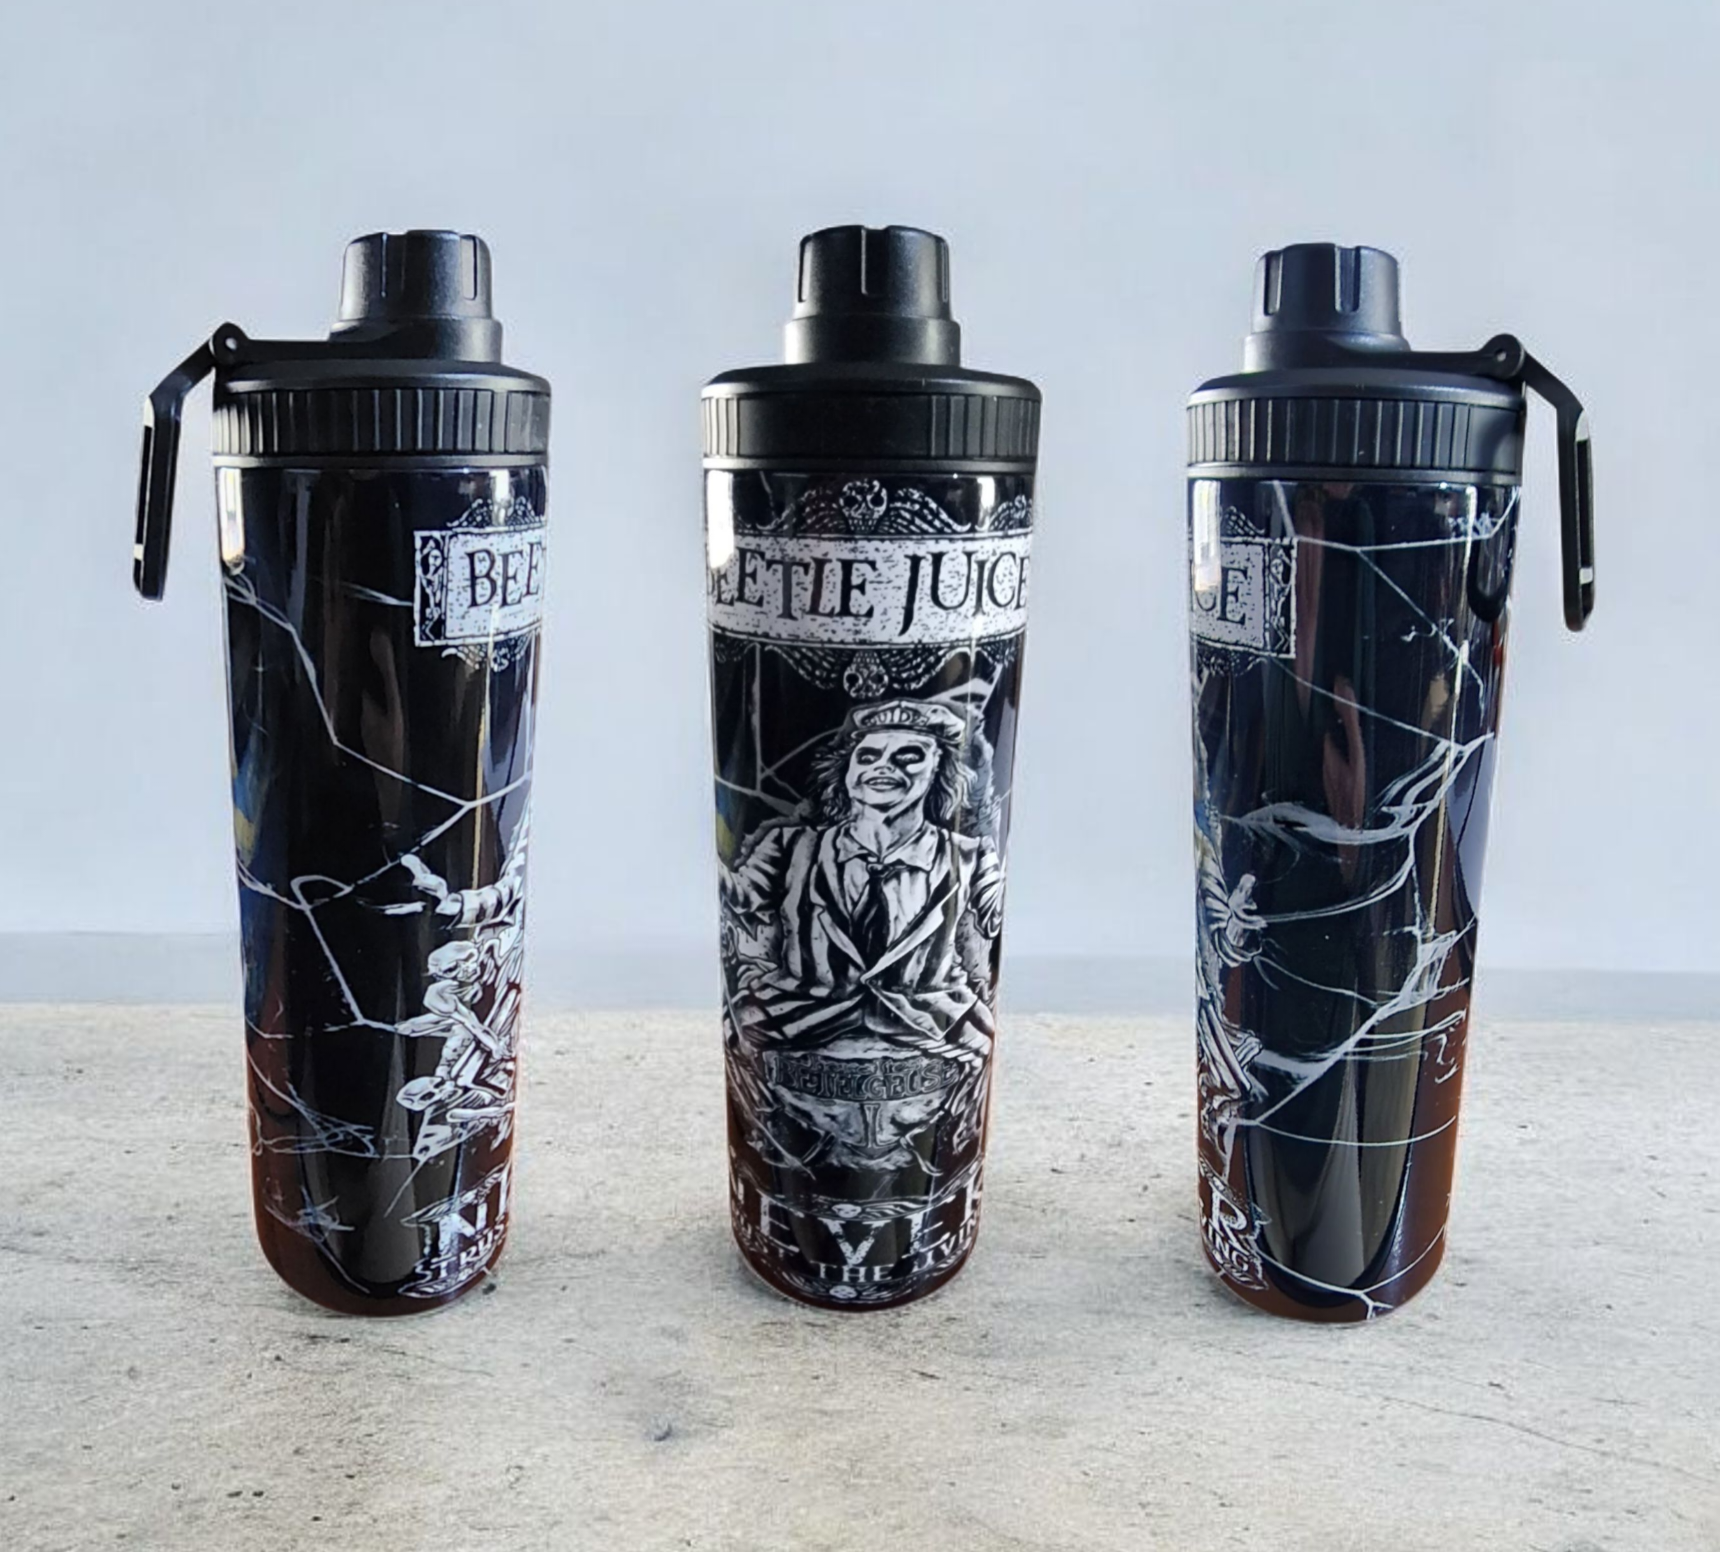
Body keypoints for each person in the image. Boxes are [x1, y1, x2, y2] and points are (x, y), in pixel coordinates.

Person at [721, 699, 1003, 1179]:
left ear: (939, 770)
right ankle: (779, 1152)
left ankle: (946, 1160)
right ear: (847, 771)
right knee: (738, 1033)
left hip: (930, 1012)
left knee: (982, 1047)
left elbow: (994, 910)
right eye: (868, 756)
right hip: (805, 1005)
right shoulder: (791, 846)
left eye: (908, 756)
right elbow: (740, 895)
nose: (883, 767)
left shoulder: (969, 856)